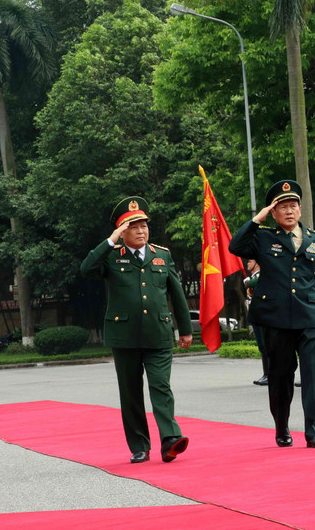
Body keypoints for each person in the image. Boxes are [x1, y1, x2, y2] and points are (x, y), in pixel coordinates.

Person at [229, 180, 315, 446]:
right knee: (281, 376)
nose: (289, 211)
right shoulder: (263, 237)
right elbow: (235, 246)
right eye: (282, 207)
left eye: (293, 206)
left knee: (312, 376)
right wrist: (257, 219)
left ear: (300, 209)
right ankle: (281, 426)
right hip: (276, 317)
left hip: (308, 315)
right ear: (274, 212)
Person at [80, 197, 192, 463]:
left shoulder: (161, 255)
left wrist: (185, 330)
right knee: (130, 393)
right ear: (121, 231)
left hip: (159, 333)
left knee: (161, 386)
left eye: (144, 225)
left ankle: (170, 438)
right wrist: (110, 241)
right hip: (125, 336)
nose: (141, 231)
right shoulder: (110, 257)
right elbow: (86, 269)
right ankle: (139, 445)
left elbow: (176, 295)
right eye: (134, 227)